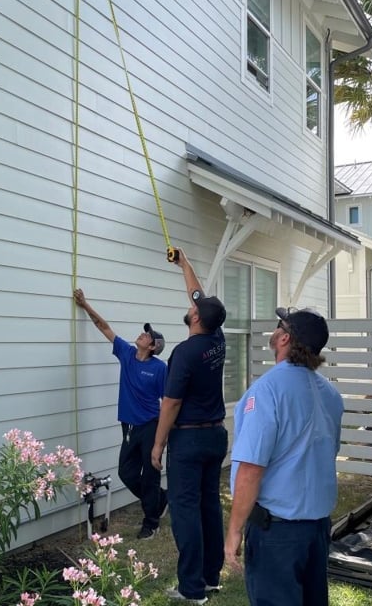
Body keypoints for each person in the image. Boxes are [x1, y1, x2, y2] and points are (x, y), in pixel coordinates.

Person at [224, 307, 343, 606]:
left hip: (277, 532)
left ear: (284, 338)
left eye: (279, 326)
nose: (274, 331)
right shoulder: (329, 394)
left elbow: (251, 468)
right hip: (316, 529)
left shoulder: (267, 390)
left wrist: (235, 530)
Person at [151, 248, 228, 605]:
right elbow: (196, 294)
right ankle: (211, 577)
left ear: (195, 317)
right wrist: (184, 263)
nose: (191, 304)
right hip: (215, 436)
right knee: (208, 506)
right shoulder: (217, 338)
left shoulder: (184, 353)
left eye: (194, 306)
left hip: (189, 441)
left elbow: (171, 404)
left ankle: (191, 589)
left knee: (185, 512)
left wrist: (157, 445)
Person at [73, 288, 168, 539]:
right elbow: (104, 327)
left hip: (150, 425)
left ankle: (151, 522)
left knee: (149, 474)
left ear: (153, 346)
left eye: (147, 335)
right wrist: (85, 305)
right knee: (126, 472)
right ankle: (160, 499)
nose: (142, 334)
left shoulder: (159, 369)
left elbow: (168, 401)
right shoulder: (126, 354)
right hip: (128, 427)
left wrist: (163, 436)